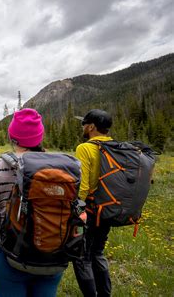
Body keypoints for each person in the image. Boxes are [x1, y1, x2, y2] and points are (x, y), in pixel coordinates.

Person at [0, 108, 63, 296]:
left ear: (12, 136)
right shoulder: (62, 166)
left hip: (7, 252)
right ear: (40, 135)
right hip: (52, 252)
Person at [73, 109, 113, 297]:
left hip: (89, 210)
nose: (82, 127)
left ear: (91, 127)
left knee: (82, 256)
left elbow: (83, 186)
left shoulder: (85, 148)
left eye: (84, 123)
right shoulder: (115, 146)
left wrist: (76, 210)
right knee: (98, 252)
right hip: (109, 209)